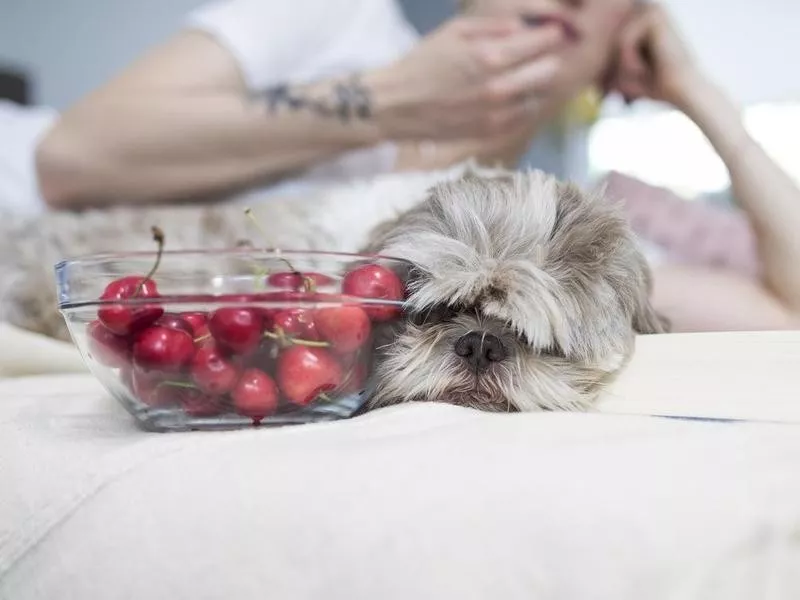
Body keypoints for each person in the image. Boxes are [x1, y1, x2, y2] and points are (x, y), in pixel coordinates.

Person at [32, 0, 800, 333]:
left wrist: (702, 98)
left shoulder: (548, 231)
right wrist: (395, 100)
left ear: (626, 45)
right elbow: (67, 160)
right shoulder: (338, 23)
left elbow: (785, 319)